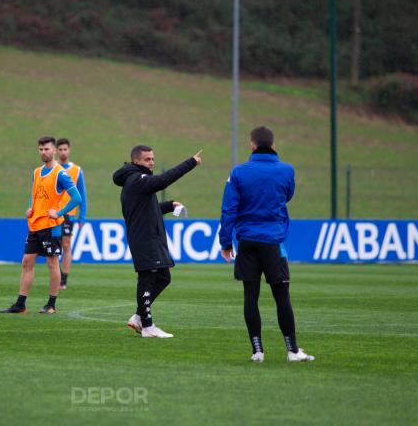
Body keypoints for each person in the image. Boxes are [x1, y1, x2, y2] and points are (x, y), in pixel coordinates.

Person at [218, 126, 314, 363]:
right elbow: (287, 195)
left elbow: (228, 209)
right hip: (273, 241)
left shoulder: (239, 172)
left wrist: (226, 242)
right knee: (282, 296)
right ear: (273, 144)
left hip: (247, 241)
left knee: (251, 296)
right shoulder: (286, 170)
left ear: (252, 145)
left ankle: (257, 351)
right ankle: (292, 351)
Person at [112, 145, 202, 338]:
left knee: (163, 277)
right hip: (144, 239)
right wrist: (191, 162)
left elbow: (148, 209)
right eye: (147, 159)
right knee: (147, 279)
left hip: (150, 238)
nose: (151, 162)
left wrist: (169, 205)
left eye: (152, 159)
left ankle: (138, 316)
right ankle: (147, 326)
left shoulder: (136, 180)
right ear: (136, 161)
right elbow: (163, 180)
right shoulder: (137, 180)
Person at [0, 136, 81, 315]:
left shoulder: (60, 173)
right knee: (26, 262)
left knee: (52, 263)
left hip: (51, 227)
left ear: (54, 150)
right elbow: (34, 193)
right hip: (35, 225)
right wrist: (30, 207)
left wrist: (59, 212)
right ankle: (20, 304)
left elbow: (77, 197)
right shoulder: (37, 172)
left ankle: (51, 304)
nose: (44, 152)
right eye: (41, 149)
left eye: (47, 149)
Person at [55, 138, 87, 290]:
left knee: (66, 245)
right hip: (53, 213)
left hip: (68, 214)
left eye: (65, 149)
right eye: (60, 149)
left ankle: (63, 279)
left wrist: (82, 216)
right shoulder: (52, 169)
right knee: (54, 246)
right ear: (56, 150)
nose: (62, 152)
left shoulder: (76, 170)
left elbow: (82, 194)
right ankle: (56, 275)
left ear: (69, 150)